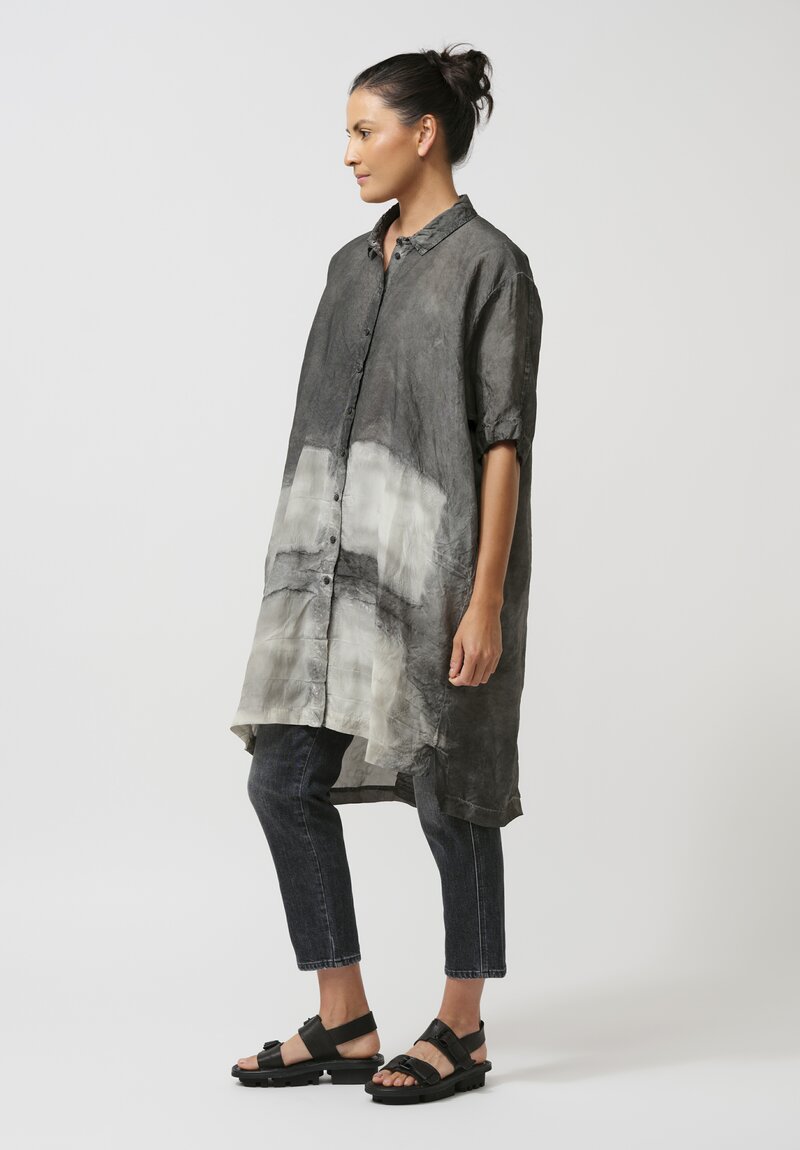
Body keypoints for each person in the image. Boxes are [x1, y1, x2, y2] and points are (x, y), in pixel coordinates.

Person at [229, 43, 543, 1105]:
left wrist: (485, 597)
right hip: (323, 578)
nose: (349, 153)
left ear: (424, 133)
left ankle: (463, 1026)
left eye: (364, 130)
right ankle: (345, 1017)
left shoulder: (491, 266)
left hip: (437, 577)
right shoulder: (346, 267)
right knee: (281, 777)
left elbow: (502, 442)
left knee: (452, 792)